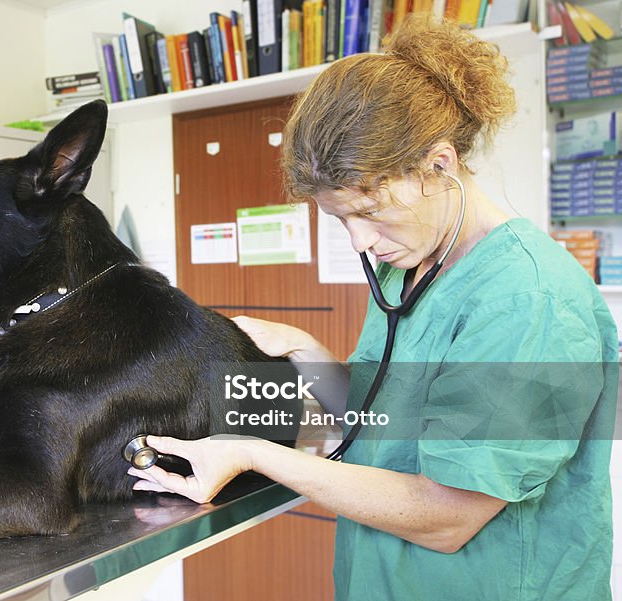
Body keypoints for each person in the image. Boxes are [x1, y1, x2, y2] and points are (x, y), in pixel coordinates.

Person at [130, 16, 617, 601]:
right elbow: (380, 422)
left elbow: (448, 516)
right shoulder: (407, 262)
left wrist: (253, 451)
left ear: (439, 166)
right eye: (340, 219)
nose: (360, 241)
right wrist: (305, 351)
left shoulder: (527, 301)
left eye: (371, 213)